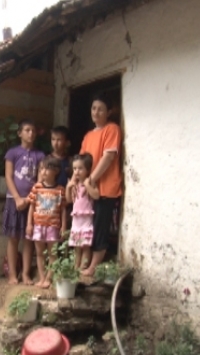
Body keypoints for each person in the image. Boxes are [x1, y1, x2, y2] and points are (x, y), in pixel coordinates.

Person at [79, 93, 124, 277]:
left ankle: (94, 266)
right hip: (89, 189)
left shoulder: (112, 129)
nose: (96, 112)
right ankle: (85, 262)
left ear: (109, 112)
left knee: (100, 227)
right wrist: (76, 180)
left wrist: (91, 179)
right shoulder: (89, 135)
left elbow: (108, 157)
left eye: (101, 109)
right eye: (93, 108)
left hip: (106, 188)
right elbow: (80, 161)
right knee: (87, 226)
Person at [3, 119, 46, 285]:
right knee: (13, 237)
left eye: (33, 130)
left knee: (29, 239)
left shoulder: (40, 155)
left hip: (32, 202)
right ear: (19, 133)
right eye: (27, 130)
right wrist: (17, 198)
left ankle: (26, 274)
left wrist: (29, 199)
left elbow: (40, 179)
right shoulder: (12, 153)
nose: (31, 133)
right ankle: (13, 275)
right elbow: (8, 176)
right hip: (13, 200)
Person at [25, 156, 68, 289]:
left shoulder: (60, 190)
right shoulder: (36, 187)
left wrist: (63, 226)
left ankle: (49, 278)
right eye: (41, 169)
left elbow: (63, 210)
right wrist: (29, 224)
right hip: (38, 226)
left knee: (52, 254)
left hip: (53, 227)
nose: (43, 172)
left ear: (56, 171)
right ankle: (42, 278)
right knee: (39, 253)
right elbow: (31, 207)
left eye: (46, 169)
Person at [66, 153, 98, 271]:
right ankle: (75, 266)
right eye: (74, 168)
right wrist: (68, 187)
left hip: (86, 219)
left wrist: (87, 186)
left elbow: (96, 195)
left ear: (88, 169)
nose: (77, 171)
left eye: (80, 168)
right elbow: (69, 200)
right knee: (76, 246)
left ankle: (83, 267)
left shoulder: (90, 182)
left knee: (85, 245)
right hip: (76, 220)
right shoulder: (74, 185)